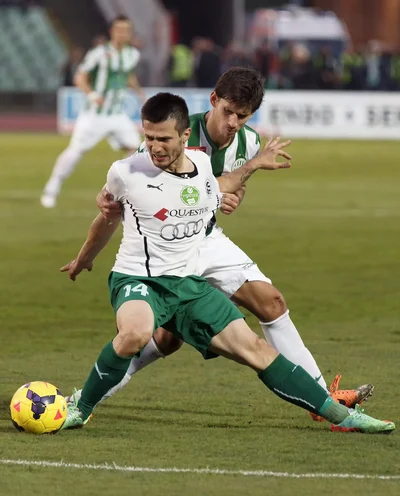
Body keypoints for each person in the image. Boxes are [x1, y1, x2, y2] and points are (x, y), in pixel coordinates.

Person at [60, 92, 394, 435]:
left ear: (184, 137)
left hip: (188, 286)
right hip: (140, 279)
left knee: (257, 350)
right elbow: (107, 217)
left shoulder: (201, 165)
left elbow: (220, 186)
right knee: (135, 332)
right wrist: (84, 258)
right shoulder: (126, 171)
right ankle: (80, 409)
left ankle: (342, 416)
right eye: (148, 137)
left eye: (163, 139)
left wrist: (252, 165)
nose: (154, 147)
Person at [41, 15, 146, 209]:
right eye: (119, 29)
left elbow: (127, 74)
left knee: (136, 150)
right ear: (112, 32)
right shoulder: (100, 53)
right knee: (76, 151)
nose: (123, 33)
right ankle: (51, 188)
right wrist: (91, 94)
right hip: (95, 115)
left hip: (117, 114)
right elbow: (79, 77)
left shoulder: (133, 54)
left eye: (127, 30)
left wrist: (139, 93)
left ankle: (118, 190)